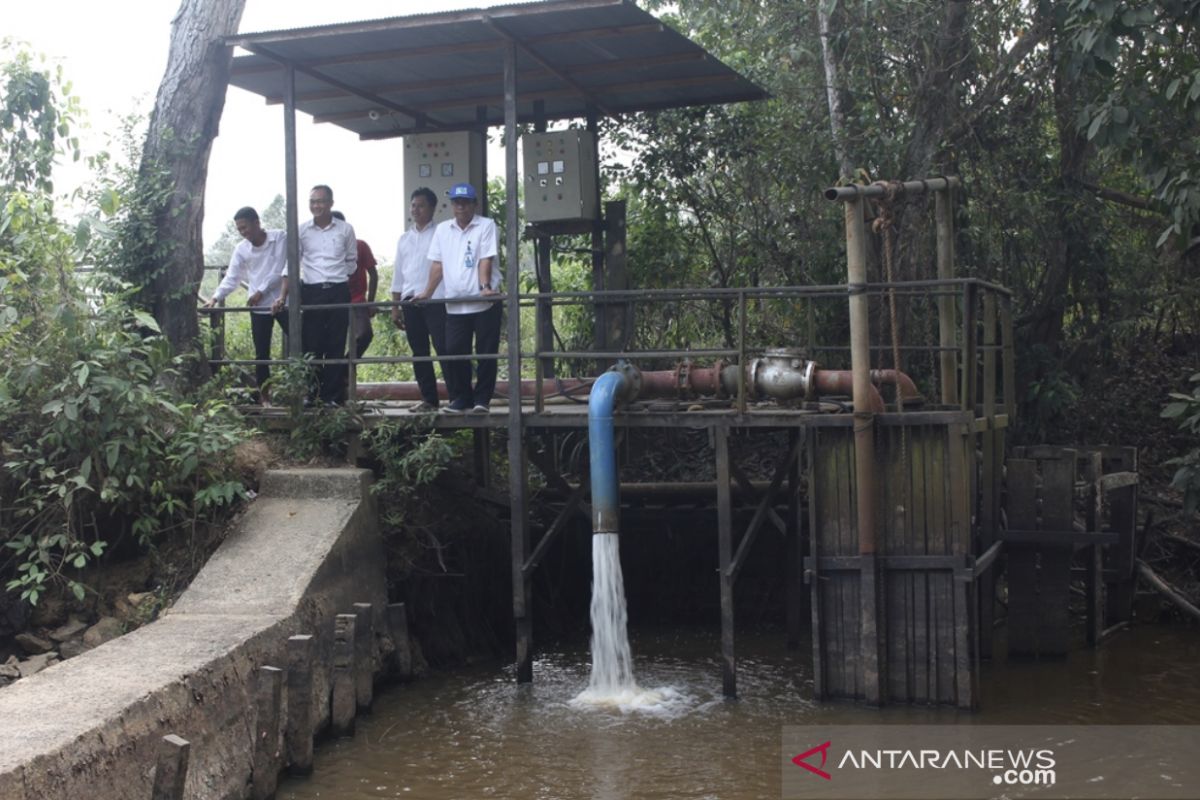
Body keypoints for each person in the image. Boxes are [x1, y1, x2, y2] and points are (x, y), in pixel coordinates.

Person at [416, 182, 501, 414]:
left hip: (484, 302)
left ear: (474, 204)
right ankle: (461, 398)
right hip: (455, 302)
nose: (461, 207)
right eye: (457, 202)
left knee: (486, 352)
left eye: (465, 202)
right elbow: (437, 264)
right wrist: (427, 292)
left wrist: (485, 286)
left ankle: (482, 399)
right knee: (453, 350)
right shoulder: (443, 230)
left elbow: (486, 258)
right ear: (451, 205)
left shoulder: (486, 225)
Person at [272, 184, 357, 404]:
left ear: (330, 203)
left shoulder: (345, 229)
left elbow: (351, 262)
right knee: (312, 345)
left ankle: (333, 397)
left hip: (338, 291)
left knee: (336, 344)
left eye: (320, 201)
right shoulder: (301, 230)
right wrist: (283, 296)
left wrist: (335, 277)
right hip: (311, 291)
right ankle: (312, 394)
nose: (316, 205)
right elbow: (291, 264)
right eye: (312, 201)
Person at [203, 206, 287, 401]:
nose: (243, 232)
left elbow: (280, 268)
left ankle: (303, 391)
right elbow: (232, 277)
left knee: (300, 344)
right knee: (261, 353)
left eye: (245, 227)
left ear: (257, 223)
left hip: (283, 300)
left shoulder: (279, 238)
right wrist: (214, 298)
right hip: (258, 306)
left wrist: (261, 291)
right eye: (239, 229)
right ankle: (265, 397)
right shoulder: (242, 249)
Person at [391, 187, 447, 412]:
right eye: (413, 205)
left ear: (432, 208)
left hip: (437, 300)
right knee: (419, 351)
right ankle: (429, 399)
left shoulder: (442, 233)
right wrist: (395, 307)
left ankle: (459, 398)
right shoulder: (404, 239)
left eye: (421, 205)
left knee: (444, 348)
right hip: (410, 301)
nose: (416, 209)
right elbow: (398, 275)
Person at [330, 210, 378, 359]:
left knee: (365, 334)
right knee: (333, 342)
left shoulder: (360, 246)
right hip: (334, 301)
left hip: (357, 300)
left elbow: (373, 274)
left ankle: (346, 366)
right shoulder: (324, 250)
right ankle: (338, 376)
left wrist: (370, 302)